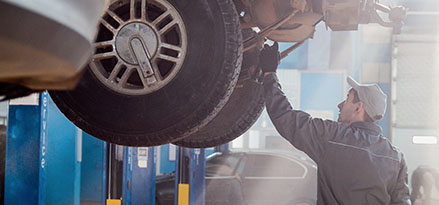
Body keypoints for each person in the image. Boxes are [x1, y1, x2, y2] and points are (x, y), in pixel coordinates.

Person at [259, 42, 411, 204]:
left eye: (347, 99)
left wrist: (270, 73)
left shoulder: (332, 137)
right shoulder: (396, 158)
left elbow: (286, 118)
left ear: (358, 107)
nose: (340, 104)